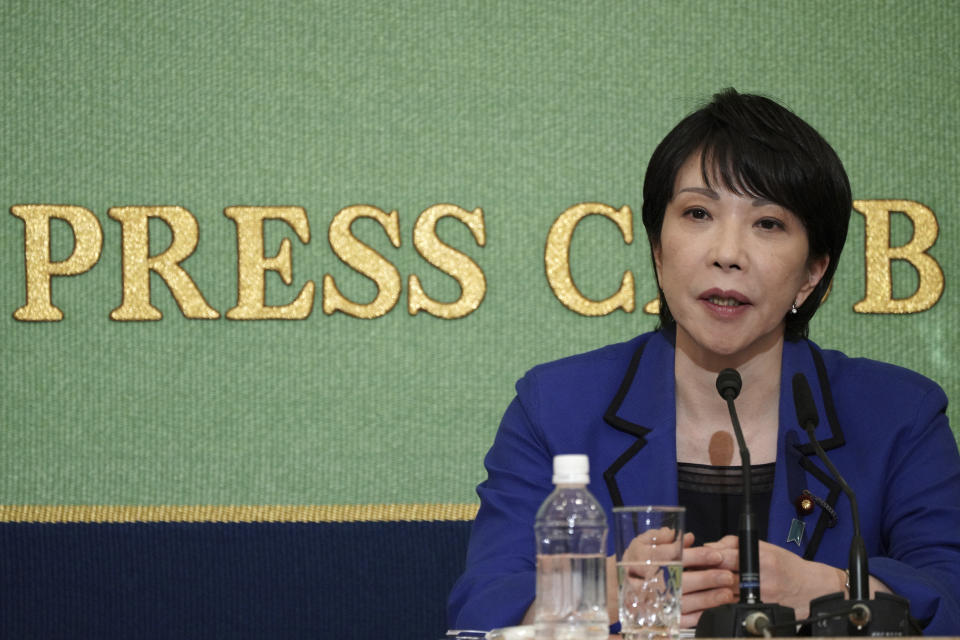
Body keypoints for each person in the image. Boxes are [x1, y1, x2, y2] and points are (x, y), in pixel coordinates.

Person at [447, 88, 960, 634]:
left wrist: (834, 591)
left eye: (768, 224)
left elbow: (949, 588)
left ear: (812, 273)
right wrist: (603, 595)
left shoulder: (897, 413)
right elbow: (480, 609)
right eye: (698, 213)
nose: (727, 253)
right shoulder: (556, 408)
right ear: (658, 248)